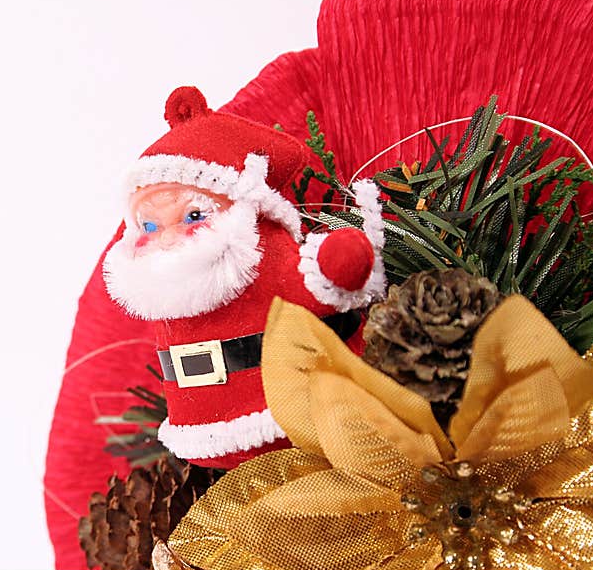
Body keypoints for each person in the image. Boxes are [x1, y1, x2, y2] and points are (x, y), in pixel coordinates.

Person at [103, 86, 384, 469]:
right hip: (204, 437)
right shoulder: (162, 289)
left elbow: (319, 284)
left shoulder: (257, 255)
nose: (167, 237)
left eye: (193, 216)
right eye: (149, 224)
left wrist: (337, 264)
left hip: (300, 413)